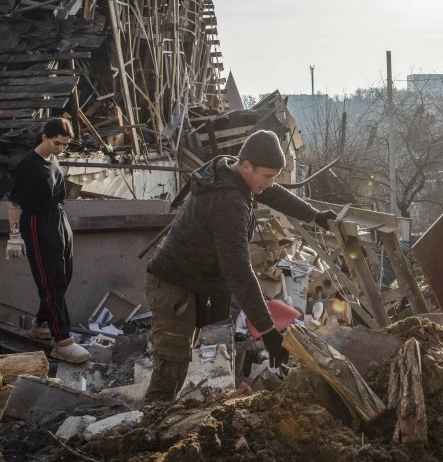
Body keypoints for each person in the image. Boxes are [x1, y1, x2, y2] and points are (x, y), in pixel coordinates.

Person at [144, 130, 336, 403]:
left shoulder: (229, 171)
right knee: (171, 366)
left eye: (273, 176)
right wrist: (268, 331)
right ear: (246, 166)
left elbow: (275, 194)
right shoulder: (228, 202)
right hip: (174, 285)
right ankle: (148, 428)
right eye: (267, 176)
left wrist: (315, 216)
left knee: (180, 359)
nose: (270, 183)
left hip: (192, 281)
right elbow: (238, 271)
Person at [6, 117, 91, 363]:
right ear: (44, 136)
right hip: (37, 224)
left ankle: (43, 323)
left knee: (64, 276)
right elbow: (14, 203)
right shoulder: (29, 165)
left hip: (58, 221)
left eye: (65, 145)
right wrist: (14, 237)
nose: (60, 149)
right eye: (57, 143)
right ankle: (62, 341)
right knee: (50, 282)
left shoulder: (52, 159)